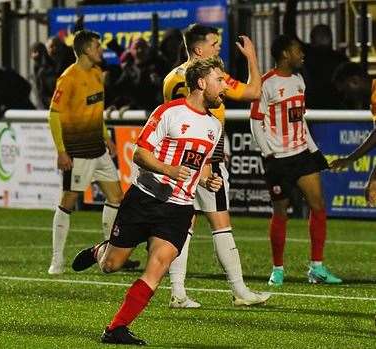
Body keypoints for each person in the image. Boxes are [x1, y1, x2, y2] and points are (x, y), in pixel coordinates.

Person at [71, 56, 226, 346]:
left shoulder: (214, 126)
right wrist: (169, 170)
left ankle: (115, 329)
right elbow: (140, 154)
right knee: (111, 265)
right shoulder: (168, 113)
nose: (225, 87)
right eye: (220, 80)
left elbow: (201, 164)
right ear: (201, 83)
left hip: (179, 208)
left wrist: (207, 179)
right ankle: (99, 252)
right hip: (144, 198)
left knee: (158, 265)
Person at [162, 23, 270, 308]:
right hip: (207, 160)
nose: (219, 47)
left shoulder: (170, 78)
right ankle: (240, 291)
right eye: (214, 43)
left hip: (180, 164)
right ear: (199, 49)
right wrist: (252, 57)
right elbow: (254, 92)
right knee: (221, 224)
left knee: (184, 226)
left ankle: (178, 292)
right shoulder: (213, 79)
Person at [250, 35, 342, 286]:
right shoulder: (266, 83)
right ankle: (277, 269)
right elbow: (256, 122)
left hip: (302, 154)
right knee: (281, 211)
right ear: (284, 54)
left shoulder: (300, 81)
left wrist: (314, 150)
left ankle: (317, 268)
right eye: (297, 50)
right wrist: (268, 154)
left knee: (318, 206)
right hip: (278, 158)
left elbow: (299, 120)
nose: (302, 54)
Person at [47, 30, 137, 275]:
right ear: (86, 50)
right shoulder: (68, 78)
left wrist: (106, 137)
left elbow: (96, 112)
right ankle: (57, 260)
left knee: (117, 197)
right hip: (78, 152)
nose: (101, 50)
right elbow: (53, 115)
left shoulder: (97, 73)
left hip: (98, 149)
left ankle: (110, 252)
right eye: (97, 46)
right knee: (68, 202)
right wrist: (61, 151)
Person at [283, 0, 349, 109]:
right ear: (331, 39)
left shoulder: (306, 53)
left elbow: (289, 31)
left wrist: (291, 4)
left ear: (312, 39)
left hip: (311, 107)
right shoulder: (341, 59)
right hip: (336, 108)